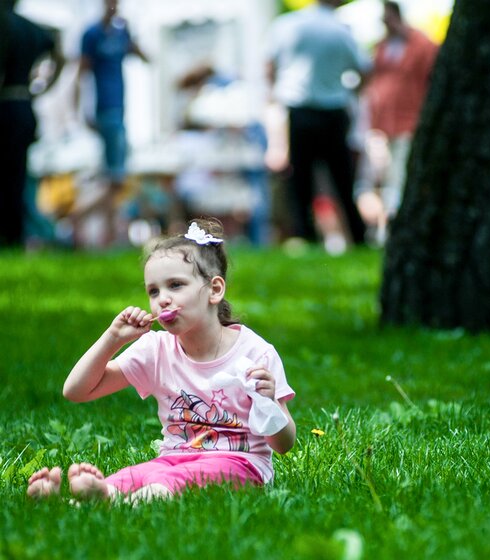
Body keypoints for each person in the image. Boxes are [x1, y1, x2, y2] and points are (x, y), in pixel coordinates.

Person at [27, 219, 296, 503]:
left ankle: (116, 500)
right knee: (137, 475)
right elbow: (76, 391)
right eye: (153, 291)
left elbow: (283, 444)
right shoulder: (156, 349)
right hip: (171, 460)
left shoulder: (256, 353)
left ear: (215, 290)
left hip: (239, 464)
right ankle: (82, 500)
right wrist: (113, 338)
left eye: (175, 285)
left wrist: (267, 401)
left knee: (170, 480)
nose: (162, 299)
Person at [266, 0, 371, 246]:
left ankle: (303, 235)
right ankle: (357, 235)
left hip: (299, 111)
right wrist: (351, 93)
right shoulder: (341, 29)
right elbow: (365, 68)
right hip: (333, 111)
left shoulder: (287, 25)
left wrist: (274, 97)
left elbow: (269, 66)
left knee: (299, 180)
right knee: (343, 179)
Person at [354, 0, 438, 237]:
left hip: (408, 123)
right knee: (375, 179)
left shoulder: (422, 45)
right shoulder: (381, 47)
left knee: (398, 177)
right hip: (380, 124)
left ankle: (393, 231)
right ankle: (379, 229)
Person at [75, 0, 149, 246]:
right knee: (116, 177)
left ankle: (107, 235)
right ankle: (78, 215)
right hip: (105, 110)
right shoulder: (92, 34)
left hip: (119, 109)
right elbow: (81, 72)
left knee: (112, 178)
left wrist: (132, 32)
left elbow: (145, 57)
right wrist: (83, 109)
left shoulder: (121, 32)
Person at [0, 0, 64, 247]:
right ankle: (14, 235)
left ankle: (8, 235)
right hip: (24, 104)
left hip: (5, 104)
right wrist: (43, 87)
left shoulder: (5, 24)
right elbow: (60, 55)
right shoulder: (31, 28)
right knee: (16, 176)